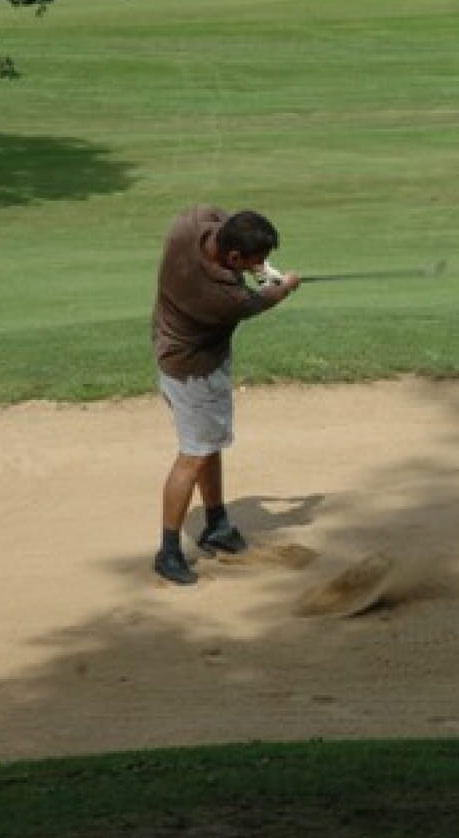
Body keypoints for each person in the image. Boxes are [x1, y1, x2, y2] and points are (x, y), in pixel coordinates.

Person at [150, 206, 301, 585]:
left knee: (209, 445)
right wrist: (283, 285)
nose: (261, 264)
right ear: (234, 258)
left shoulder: (187, 228)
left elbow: (219, 215)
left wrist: (260, 268)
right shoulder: (221, 296)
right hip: (194, 371)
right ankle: (168, 552)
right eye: (256, 260)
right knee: (194, 454)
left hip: (173, 349)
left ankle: (216, 524)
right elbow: (259, 301)